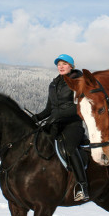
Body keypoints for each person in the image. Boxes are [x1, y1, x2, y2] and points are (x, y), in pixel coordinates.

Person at [32, 54, 89, 201]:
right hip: (55, 124)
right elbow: (49, 109)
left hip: (73, 124)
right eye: (59, 64)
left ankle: (82, 186)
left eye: (64, 64)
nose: (61, 67)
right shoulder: (53, 84)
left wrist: (57, 116)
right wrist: (36, 118)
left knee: (70, 148)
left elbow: (79, 106)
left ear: (71, 66)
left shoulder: (77, 81)